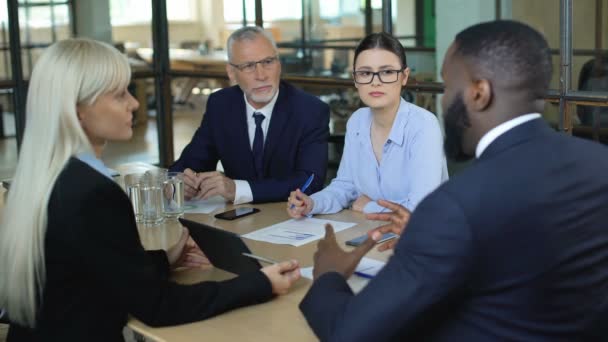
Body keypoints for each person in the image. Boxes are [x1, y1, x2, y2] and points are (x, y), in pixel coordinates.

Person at [299, 20, 608, 340]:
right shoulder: (600, 166)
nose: (444, 102)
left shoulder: (452, 208)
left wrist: (329, 276)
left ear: (479, 93)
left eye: (447, 87)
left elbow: (349, 332)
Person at [0, 38, 300, 341]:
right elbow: (159, 307)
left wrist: (164, 258)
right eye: (119, 95)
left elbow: (96, 267)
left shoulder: (43, 178)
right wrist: (260, 284)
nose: (134, 103)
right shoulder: (93, 195)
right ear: (78, 111)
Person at [287, 32, 447, 217]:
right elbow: (345, 186)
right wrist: (312, 203)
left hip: (419, 237)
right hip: (370, 232)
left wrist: (369, 206)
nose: (375, 82)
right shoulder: (357, 122)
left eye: (387, 72)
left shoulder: (424, 126)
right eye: (365, 73)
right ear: (355, 79)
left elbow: (421, 207)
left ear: (404, 76)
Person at [170, 26, 329, 204]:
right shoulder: (221, 105)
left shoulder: (310, 110)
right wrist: (180, 182)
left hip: (290, 216)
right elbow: (191, 162)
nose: (261, 75)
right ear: (231, 72)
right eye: (248, 66)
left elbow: (311, 181)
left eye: (268, 62)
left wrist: (237, 190)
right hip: (238, 219)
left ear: (279, 64)